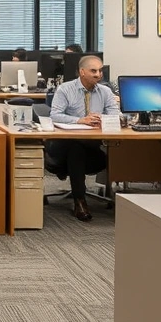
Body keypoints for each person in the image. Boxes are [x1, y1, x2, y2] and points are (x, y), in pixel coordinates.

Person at [48, 55, 120, 222]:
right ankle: (80, 200)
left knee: (79, 151)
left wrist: (103, 118)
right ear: (82, 72)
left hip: (94, 149)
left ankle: (79, 198)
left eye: (100, 71)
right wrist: (79, 120)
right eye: (93, 71)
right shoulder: (65, 89)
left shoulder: (105, 91)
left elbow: (115, 115)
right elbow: (55, 115)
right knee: (76, 149)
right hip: (63, 147)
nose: (98, 75)